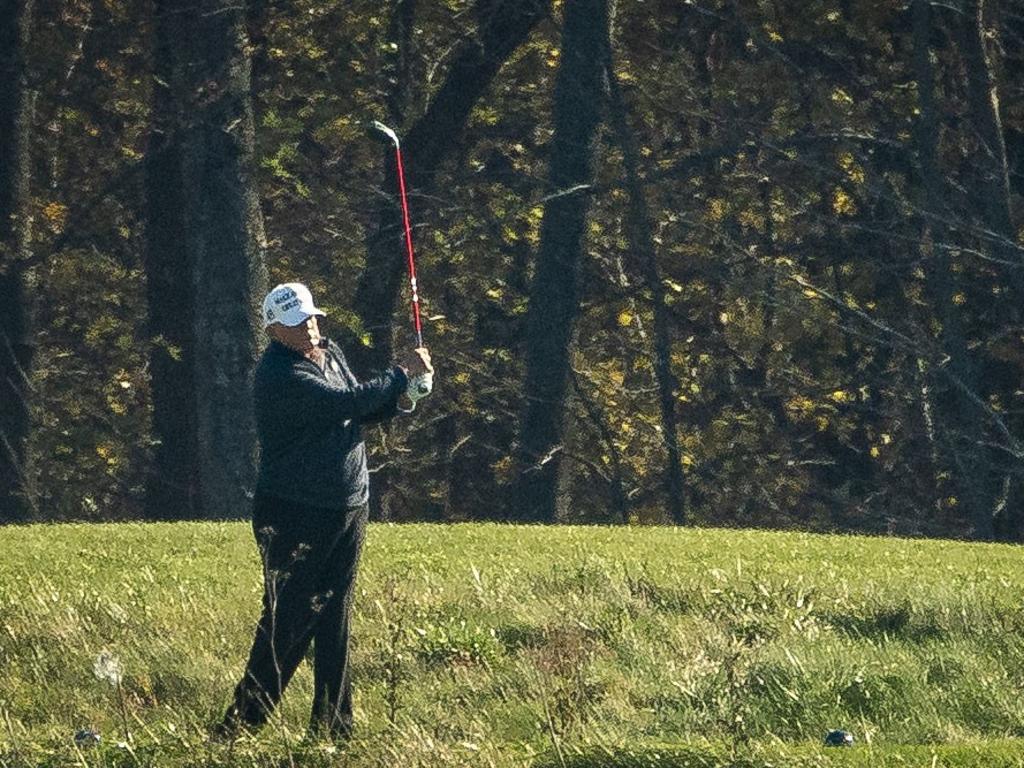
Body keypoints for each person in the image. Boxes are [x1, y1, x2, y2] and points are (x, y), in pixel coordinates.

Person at [217, 281, 432, 741]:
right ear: (274, 329)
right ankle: (240, 726)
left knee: (335, 616)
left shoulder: (329, 352)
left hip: (348, 505)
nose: (310, 328)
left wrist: (404, 396)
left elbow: (359, 409)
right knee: (289, 618)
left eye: (312, 317)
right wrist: (399, 374)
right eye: (298, 323)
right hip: (294, 512)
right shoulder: (278, 376)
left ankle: (334, 728)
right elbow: (343, 403)